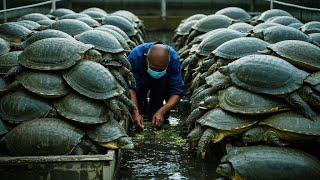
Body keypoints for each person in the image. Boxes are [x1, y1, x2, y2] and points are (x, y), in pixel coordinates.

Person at [128, 42, 184, 130]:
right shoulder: (135, 56)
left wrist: (162, 111)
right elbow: (131, 88)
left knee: (157, 112)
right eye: (154, 68)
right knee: (137, 109)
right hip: (141, 79)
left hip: (162, 82)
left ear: (169, 60)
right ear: (146, 58)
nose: (157, 72)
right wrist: (136, 112)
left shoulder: (174, 58)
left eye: (161, 69)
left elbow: (177, 91)